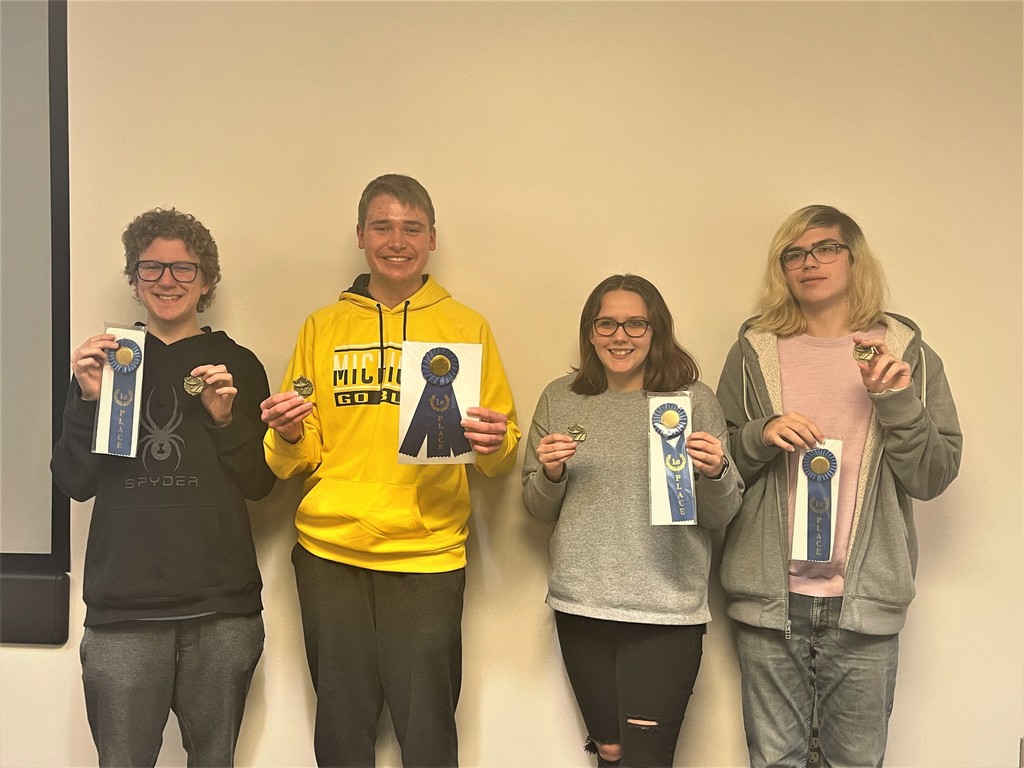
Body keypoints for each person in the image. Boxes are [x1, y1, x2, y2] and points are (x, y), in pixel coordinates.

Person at [260, 174, 520, 767]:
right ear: (360, 235)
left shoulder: (466, 326)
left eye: (411, 228)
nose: (396, 240)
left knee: (428, 734)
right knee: (341, 732)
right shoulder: (321, 327)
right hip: (330, 554)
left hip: (427, 556)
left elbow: (499, 454)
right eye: (382, 226)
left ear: (431, 238)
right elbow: (292, 460)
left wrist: (492, 440)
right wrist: (288, 432)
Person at [716, 205, 962, 767]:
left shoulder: (907, 355)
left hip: (865, 600)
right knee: (772, 761)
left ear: (855, 258)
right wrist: (759, 435)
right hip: (769, 599)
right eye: (794, 254)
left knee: (855, 762)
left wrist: (895, 402)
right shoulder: (753, 354)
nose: (809, 263)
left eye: (825, 248)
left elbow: (933, 475)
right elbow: (717, 470)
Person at [51, 208, 275, 766]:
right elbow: (74, 482)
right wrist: (84, 401)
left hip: (222, 612)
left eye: (183, 268)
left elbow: (260, 483)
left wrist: (226, 422)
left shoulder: (239, 365)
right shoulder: (105, 363)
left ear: (207, 280)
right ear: (133, 279)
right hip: (123, 612)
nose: (167, 281)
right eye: (151, 268)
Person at [522, 274, 743, 768]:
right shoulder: (561, 397)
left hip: (666, 611)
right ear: (590, 331)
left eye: (635, 324)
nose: (619, 336)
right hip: (582, 605)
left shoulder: (694, 400)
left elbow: (720, 514)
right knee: (611, 753)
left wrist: (717, 471)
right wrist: (551, 473)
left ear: (657, 329)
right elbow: (537, 510)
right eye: (607, 323)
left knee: (646, 759)